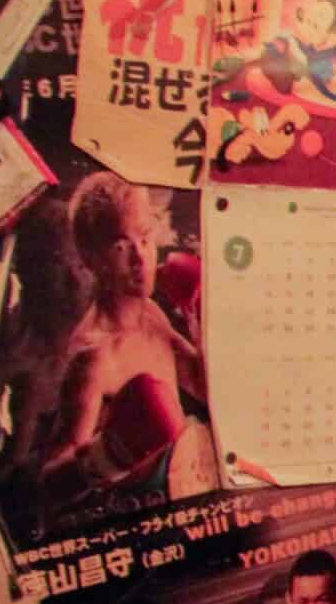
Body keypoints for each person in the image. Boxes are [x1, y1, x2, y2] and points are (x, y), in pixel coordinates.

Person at [21, 174, 206, 493]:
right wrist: (110, 454)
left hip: (186, 483)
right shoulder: (95, 356)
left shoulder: (149, 314)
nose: (140, 258)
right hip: (143, 514)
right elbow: (49, 486)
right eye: (122, 247)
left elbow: (204, 387)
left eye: (146, 239)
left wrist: (201, 317)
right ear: (92, 258)